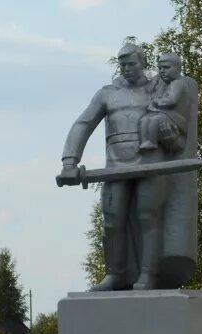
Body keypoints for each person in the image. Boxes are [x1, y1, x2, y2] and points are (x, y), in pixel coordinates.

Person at [60, 43, 166, 290]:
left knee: (147, 216)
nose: (127, 69)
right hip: (116, 167)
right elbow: (83, 124)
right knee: (112, 219)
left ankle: (148, 274)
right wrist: (70, 161)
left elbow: (177, 118)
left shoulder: (157, 90)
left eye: (132, 64)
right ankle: (115, 274)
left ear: (143, 62)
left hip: (150, 165)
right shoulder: (107, 94)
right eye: (123, 65)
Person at [139, 53, 193, 155]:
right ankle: (146, 141)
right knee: (144, 119)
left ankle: (151, 141)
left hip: (174, 117)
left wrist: (159, 102)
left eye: (166, 68)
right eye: (160, 68)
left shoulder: (178, 83)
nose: (162, 71)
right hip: (164, 114)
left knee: (155, 120)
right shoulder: (162, 83)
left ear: (177, 69)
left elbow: (172, 100)